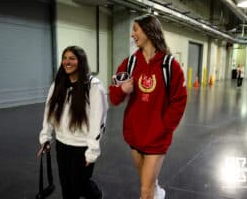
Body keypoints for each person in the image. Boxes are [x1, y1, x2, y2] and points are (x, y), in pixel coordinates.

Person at [109, 14, 187, 199]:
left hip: (156, 138)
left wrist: (164, 128)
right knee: (148, 181)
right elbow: (113, 97)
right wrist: (123, 90)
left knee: (145, 190)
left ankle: (153, 191)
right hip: (135, 135)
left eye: (135, 29)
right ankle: (157, 190)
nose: (132, 34)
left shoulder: (170, 66)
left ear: (149, 30)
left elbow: (179, 101)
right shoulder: (129, 63)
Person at [37, 46, 108, 199]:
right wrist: (45, 138)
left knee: (80, 184)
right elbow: (49, 112)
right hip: (62, 144)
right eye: (65, 58)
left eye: (72, 58)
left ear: (80, 62)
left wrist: (92, 151)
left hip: (82, 146)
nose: (67, 62)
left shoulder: (94, 86)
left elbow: (98, 121)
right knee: (66, 186)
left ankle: (97, 195)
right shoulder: (58, 84)